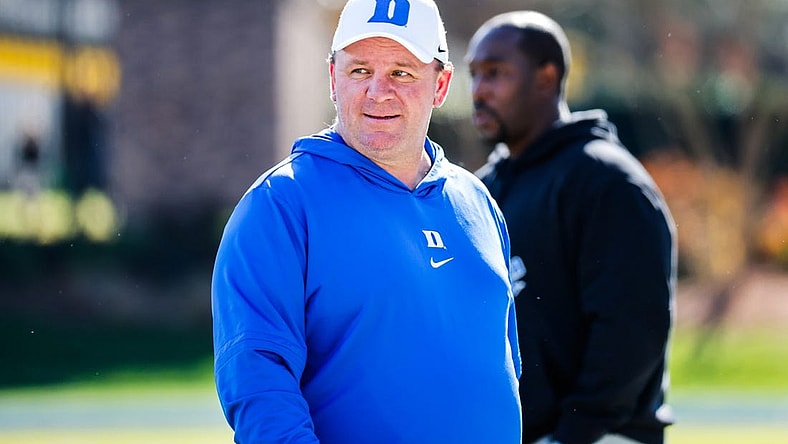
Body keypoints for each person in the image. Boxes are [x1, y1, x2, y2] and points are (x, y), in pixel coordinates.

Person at [211, 1, 522, 442]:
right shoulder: (280, 206)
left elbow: (503, 366)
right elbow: (259, 385)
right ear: (333, 78)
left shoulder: (478, 201)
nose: (378, 92)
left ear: (441, 84)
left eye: (401, 72)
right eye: (360, 71)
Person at [466, 11, 677, 444]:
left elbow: (631, 329)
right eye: (473, 75)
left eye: (495, 73)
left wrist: (572, 434)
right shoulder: (483, 188)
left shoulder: (606, 181)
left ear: (547, 77)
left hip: (601, 436)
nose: (479, 91)